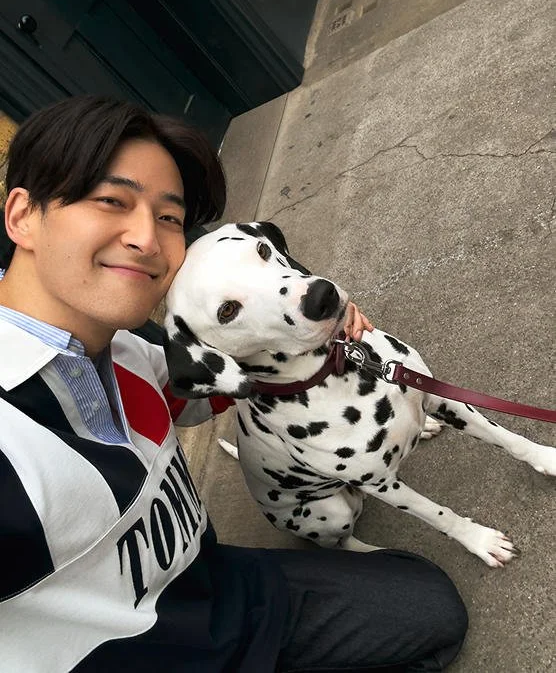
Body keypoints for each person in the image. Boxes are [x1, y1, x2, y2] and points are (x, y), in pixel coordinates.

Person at [0, 95, 468, 672]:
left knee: (428, 605)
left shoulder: (132, 354)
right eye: (111, 201)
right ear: (23, 216)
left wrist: (312, 328)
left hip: (212, 589)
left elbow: (231, 377)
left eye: (169, 217)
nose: (147, 239)